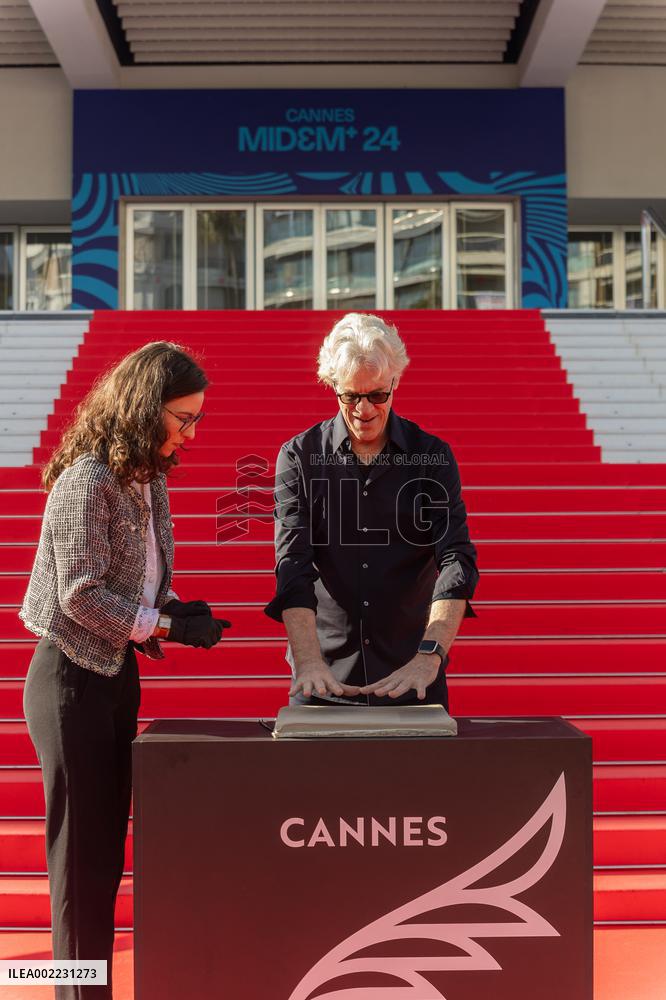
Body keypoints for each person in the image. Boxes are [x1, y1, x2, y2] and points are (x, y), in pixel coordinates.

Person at [20, 341, 231, 999]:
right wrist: (165, 625)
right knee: (78, 866)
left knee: (103, 860)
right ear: (145, 410)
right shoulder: (87, 480)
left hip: (112, 678)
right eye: (183, 417)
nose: (192, 432)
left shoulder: (148, 477)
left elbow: (140, 581)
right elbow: (78, 594)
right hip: (68, 681)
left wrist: (171, 607)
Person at [265, 313, 478, 709]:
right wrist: (308, 661)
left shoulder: (431, 456)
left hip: (412, 673)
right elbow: (292, 563)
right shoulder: (299, 457)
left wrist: (430, 656)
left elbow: (456, 559)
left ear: (395, 383)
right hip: (322, 676)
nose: (364, 410)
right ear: (333, 387)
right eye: (351, 396)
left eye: (377, 395)